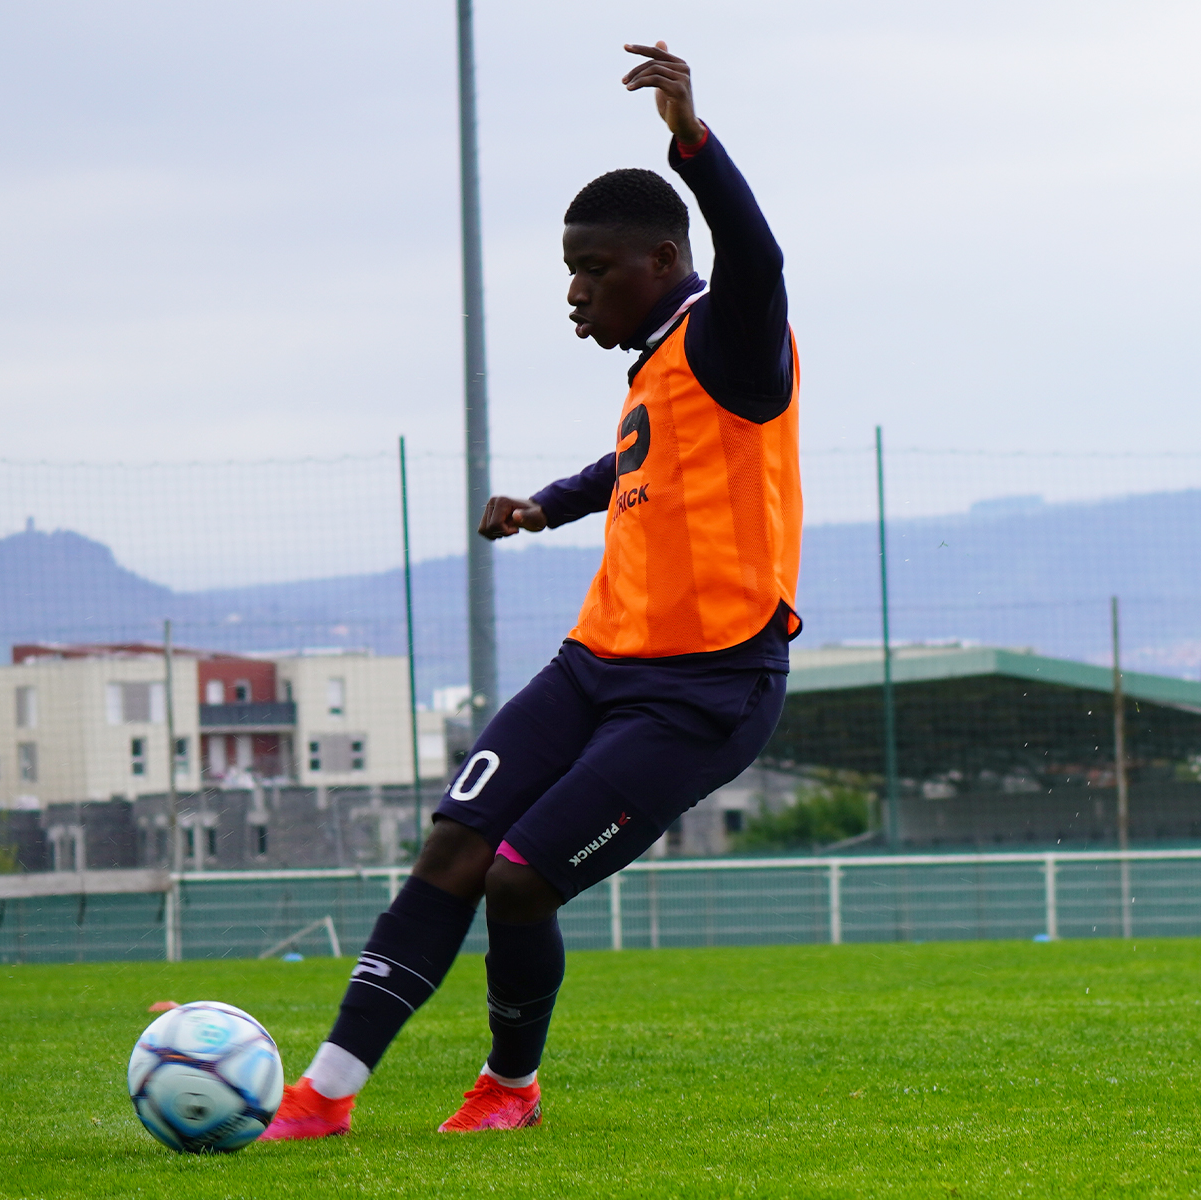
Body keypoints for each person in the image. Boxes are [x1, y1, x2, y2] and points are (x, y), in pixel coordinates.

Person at [263, 39, 800, 1139]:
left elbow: (761, 258)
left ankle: (510, 1088)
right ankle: (323, 1097)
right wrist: (544, 506)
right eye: (569, 268)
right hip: (594, 663)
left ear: (659, 259)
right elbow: (636, 467)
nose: (572, 291)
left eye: (591, 269)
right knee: (453, 849)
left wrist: (692, 142)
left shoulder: (735, 338)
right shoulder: (656, 362)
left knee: (516, 879)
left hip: (706, 690)